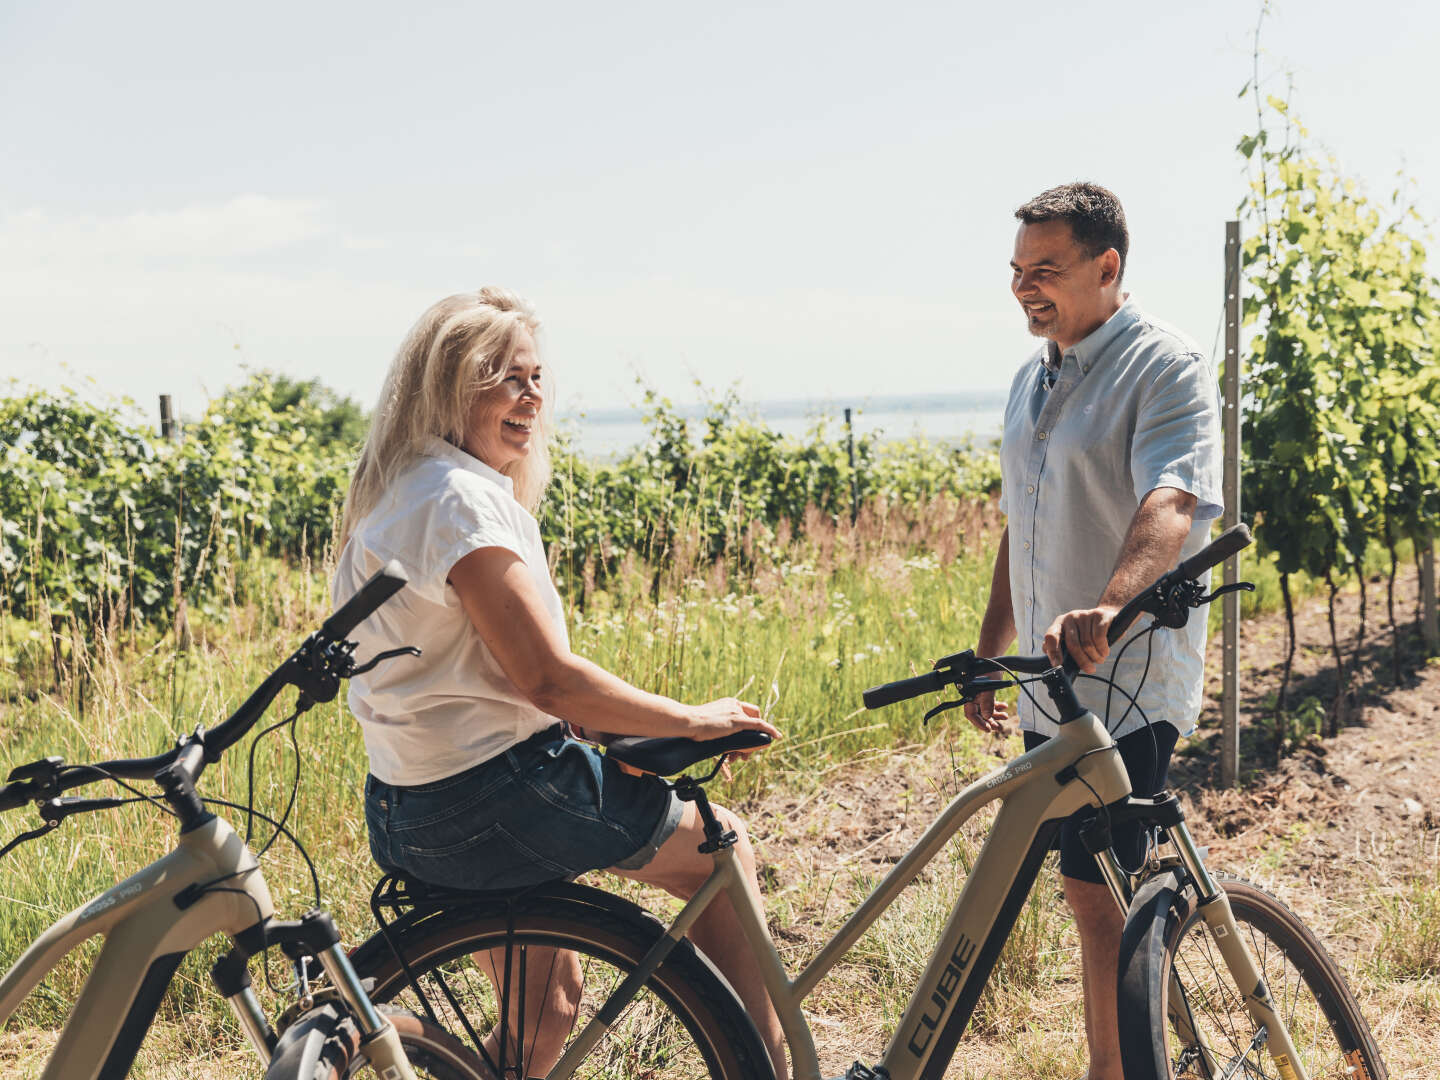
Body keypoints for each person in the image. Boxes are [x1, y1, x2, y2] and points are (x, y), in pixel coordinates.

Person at [331, 287, 786, 1079]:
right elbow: (546, 679)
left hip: (408, 806)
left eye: (536, 377)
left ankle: (389, 1044)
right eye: (504, 378)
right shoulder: (460, 502)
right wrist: (691, 720)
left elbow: (472, 673)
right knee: (724, 851)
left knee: (547, 1006)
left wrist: (608, 726)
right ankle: (770, 1070)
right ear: (446, 386)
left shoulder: (399, 492)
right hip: (500, 796)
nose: (530, 396)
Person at [964, 183, 1222, 1080]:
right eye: (1016, 270)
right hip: (1051, 686)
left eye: (1047, 269)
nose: (1024, 288)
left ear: (1107, 267)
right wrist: (992, 651)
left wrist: (1112, 606)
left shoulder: (1164, 366)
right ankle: (1134, 1058)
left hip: (1126, 681)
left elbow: (1172, 499)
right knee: (1091, 897)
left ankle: (1124, 1069)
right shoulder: (1031, 377)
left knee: (1104, 893)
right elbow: (1021, 523)